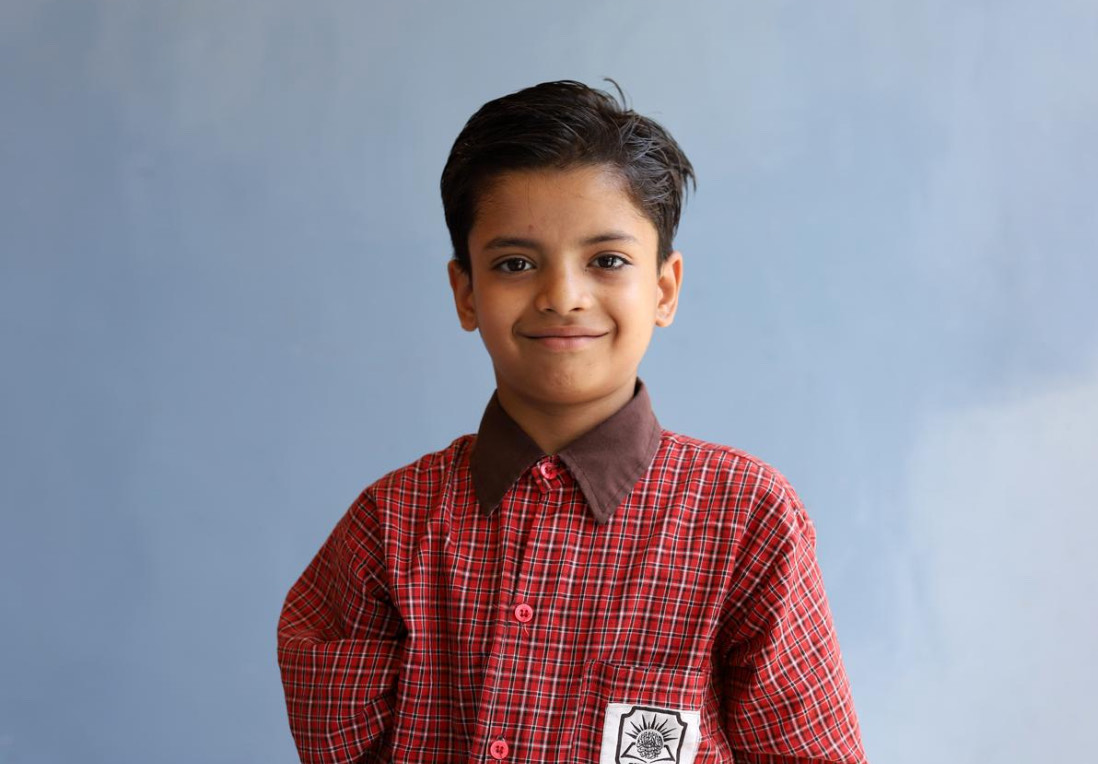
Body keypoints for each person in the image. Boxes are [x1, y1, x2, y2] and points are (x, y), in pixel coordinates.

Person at [277, 80, 867, 764]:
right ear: (466, 292)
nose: (562, 296)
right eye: (515, 263)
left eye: (607, 261)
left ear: (663, 289)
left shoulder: (747, 521)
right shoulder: (391, 525)